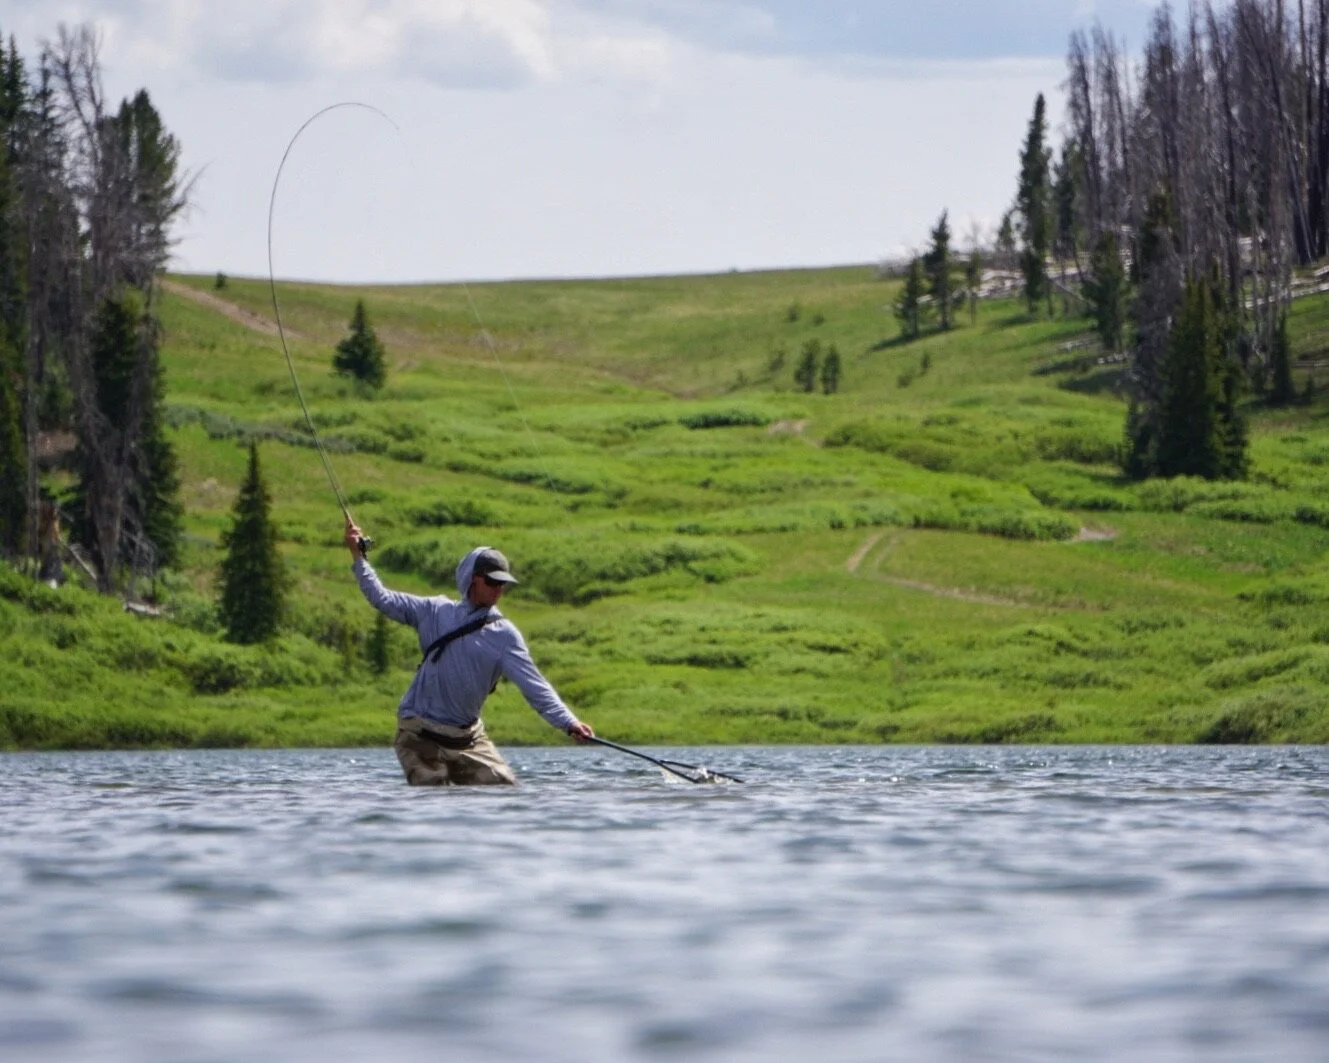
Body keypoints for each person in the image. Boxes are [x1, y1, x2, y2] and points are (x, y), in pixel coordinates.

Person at [345, 517, 593, 785]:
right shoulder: (433, 611)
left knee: (506, 793)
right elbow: (381, 598)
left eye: (503, 584)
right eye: (492, 582)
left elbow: (535, 687)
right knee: (432, 796)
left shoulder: (505, 636)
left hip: (468, 740)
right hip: (418, 735)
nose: (499, 589)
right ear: (473, 580)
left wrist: (569, 723)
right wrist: (359, 557)